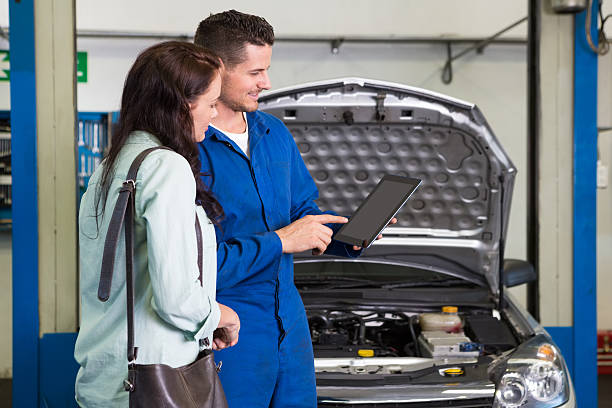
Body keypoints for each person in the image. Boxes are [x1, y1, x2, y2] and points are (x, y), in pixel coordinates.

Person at [194, 10, 395, 407]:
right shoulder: (186, 149)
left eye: (266, 70)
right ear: (215, 69)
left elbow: (304, 215)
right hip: (227, 329)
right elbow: (192, 265)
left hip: (289, 323)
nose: (266, 83)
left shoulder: (274, 134)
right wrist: (281, 242)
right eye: (255, 73)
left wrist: (348, 236)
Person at [74, 41, 240, 407]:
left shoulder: (112, 166)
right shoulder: (167, 167)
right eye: (211, 103)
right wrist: (218, 315)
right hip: (155, 380)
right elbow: (175, 297)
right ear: (181, 105)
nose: (214, 115)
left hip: (106, 378)